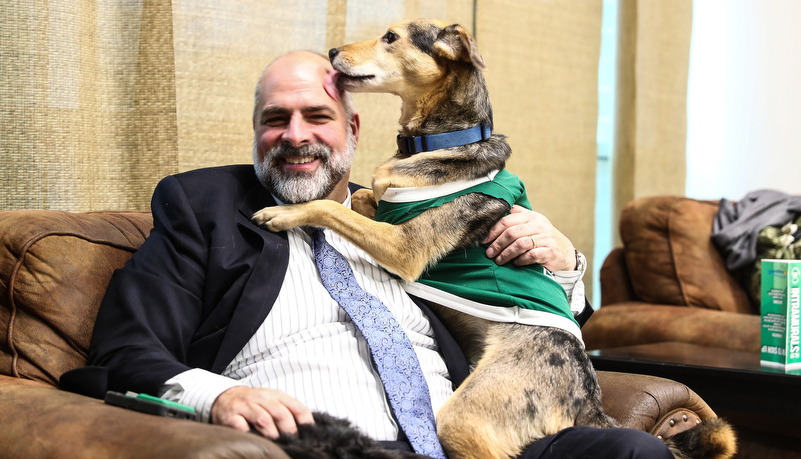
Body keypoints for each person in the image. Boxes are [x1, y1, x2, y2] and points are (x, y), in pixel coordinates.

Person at [61, 51, 671, 458]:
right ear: (254, 131)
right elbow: (126, 349)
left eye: (317, 116)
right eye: (276, 119)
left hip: (468, 438)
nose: (296, 135)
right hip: (326, 444)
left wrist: (562, 265)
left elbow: (523, 319)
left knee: (631, 451)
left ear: (353, 131)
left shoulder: (406, 212)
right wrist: (218, 396)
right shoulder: (203, 206)